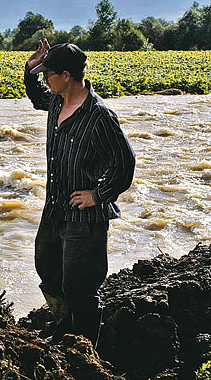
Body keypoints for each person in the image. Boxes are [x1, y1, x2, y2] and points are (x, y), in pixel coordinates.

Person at [24, 39, 135, 347]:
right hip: (55, 207)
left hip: (85, 216)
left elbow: (124, 163)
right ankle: (64, 330)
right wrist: (31, 67)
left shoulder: (100, 115)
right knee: (48, 271)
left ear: (67, 76)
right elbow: (36, 95)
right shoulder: (57, 102)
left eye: (49, 73)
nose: (46, 78)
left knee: (79, 287)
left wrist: (97, 196)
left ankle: (83, 350)